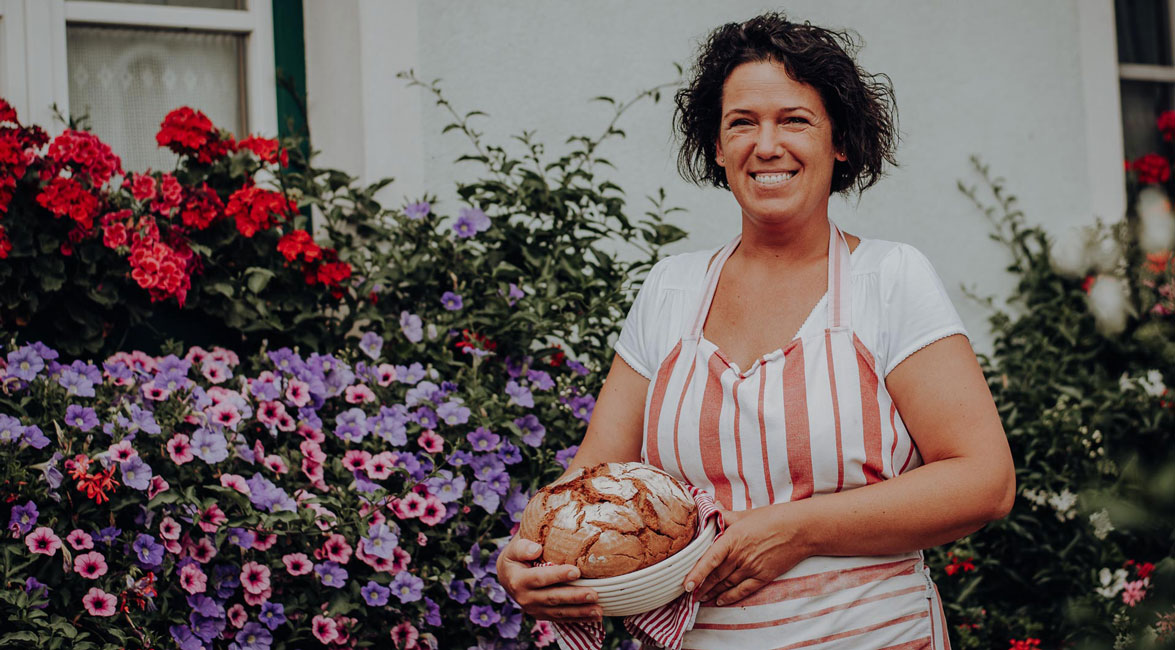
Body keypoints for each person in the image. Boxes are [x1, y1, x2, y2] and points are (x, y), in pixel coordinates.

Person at [497, 12, 1014, 649]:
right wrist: (530, 556)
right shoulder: (672, 289)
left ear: (840, 142)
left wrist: (794, 529)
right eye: (742, 122)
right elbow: (593, 478)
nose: (766, 145)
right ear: (717, 147)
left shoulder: (889, 278)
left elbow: (983, 481)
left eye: (794, 119)